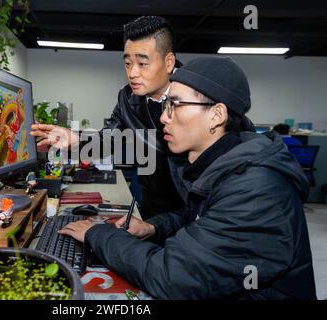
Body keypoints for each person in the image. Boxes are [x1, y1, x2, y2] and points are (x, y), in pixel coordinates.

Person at [59, 57, 317, 299]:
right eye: (165, 105)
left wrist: (98, 234)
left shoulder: (256, 188)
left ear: (216, 115)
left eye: (175, 105)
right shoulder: (224, 164)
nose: (163, 117)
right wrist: (153, 227)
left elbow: (171, 277)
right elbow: (202, 219)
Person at [30, 16, 184, 219]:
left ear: (169, 62)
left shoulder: (199, 96)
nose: (132, 73)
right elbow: (107, 140)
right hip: (154, 207)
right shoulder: (128, 98)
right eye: (128, 63)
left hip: (192, 206)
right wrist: (74, 140)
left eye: (142, 63)